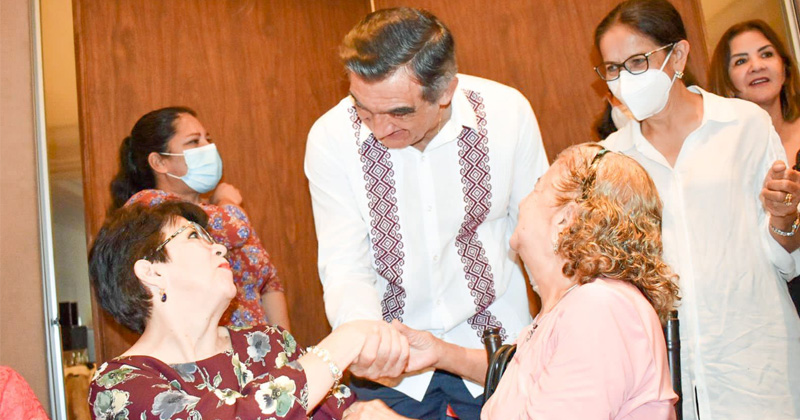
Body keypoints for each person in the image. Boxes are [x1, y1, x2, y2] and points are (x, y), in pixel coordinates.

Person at [304, 7, 549, 419]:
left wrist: (558, 334)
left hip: (493, 348)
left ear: (445, 92)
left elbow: (541, 238)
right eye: (363, 110)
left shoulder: (507, 114)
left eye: (399, 113)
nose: (379, 129)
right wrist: (370, 341)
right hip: (391, 365)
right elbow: (345, 263)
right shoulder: (330, 138)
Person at [342, 143, 680, 420]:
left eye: (536, 189)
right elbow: (531, 382)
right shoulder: (576, 307)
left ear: (565, 221)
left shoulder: (598, 310)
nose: (522, 202)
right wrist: (439, 354)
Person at [594, 1, 800, 418]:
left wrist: (784, 218)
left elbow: (783, 260)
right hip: (671, 371)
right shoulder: (611, 159)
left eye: (638, 62)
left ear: (679, 56)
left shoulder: (744, 124)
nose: (625, 79)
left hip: (756, 358)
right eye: (613, 69)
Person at [87, 201, 409, 419]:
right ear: (152, 272)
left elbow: (347, 413)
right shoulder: (118, 386)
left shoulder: (268, 344)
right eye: (193, 236)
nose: (219, 246)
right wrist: (348, 338)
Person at [110, 107, 290, 329]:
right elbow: (238, 229)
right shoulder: (149, 207)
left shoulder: (223, 211)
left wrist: (285, 346)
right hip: (204, 347)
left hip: (261, 345)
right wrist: (227, 199)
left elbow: (270, 283)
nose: (208, 148)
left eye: (208, 139)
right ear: (159, 162)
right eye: (194, 142)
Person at [709, 19, 800, 316]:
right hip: (765, 301)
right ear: (727, 82)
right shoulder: (720, 156)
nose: (757, 66)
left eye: (766, 54)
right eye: (741, 61)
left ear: (785, 67)